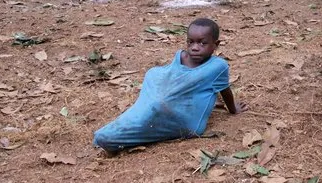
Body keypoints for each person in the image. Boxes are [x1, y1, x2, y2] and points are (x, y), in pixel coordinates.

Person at [93, 18, 248, 153]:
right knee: (152, 82)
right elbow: (169, 78)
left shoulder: (217, 66)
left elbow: (224, 89)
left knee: (155, 108)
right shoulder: (181, 56)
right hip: (163, 103)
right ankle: (111, 134)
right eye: (191, 42)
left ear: (216, 45)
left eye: (202, 43)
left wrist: (233, 109)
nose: (195, 47)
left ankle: (111, 139)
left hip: (186, 122)